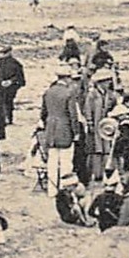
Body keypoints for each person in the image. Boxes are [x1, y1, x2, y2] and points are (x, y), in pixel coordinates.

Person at [39, 64, 83, 194]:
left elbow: (43, 113)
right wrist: (76, 132)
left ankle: (51, 190)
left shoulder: (48, 92)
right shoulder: (68, 93)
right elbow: (72, 115)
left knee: (52, 160)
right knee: (65, 161)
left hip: (51, 128)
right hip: (64, 129)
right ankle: (65, 189)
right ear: (67, 78)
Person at [0, 46, 26, 130]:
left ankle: (8, 119)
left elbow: (19, 76)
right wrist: (1, 82)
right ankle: (5, 119)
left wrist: (10, 81)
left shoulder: (16, 63)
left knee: (8, 102)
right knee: (3, 102)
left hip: (11, 87)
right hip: (2, 86)